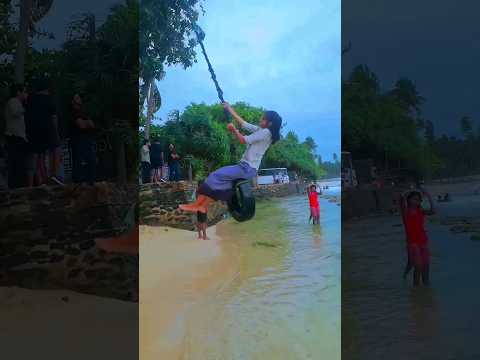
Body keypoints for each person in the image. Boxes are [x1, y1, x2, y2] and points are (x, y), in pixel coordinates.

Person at [179, 102, 282, 214]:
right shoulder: (262, 131)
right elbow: (244, 123)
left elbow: (243, 140)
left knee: (215, 175)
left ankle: (196, 205)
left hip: (246, 168)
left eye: (263, 118)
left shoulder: (266, 133)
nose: (260, 119)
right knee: (222, 186)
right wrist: (229, 109)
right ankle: (202, 206)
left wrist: (234, 131)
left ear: (269, 123)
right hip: (247, 168)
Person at [399, 188, 435, 286]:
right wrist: (411, 189)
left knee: (426, 266)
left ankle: (426, 289)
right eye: (414, 199)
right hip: (412, 242)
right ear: (409, 200)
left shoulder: (421, 211)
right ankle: (416, 289)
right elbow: (402, 197)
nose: (416, 201)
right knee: (418, 267)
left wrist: (428, 196)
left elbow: (433, 211)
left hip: (423, 240)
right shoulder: (406, 212)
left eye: (418, 200)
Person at [25, 78, 56, 186]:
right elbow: (53, 117)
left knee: (34, 159)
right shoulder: (48, 99)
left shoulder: (30, 98)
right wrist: (55, 132)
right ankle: (46, 180)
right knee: (43, 157)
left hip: (31, 133)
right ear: (46, 89)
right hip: (45, 133)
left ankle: (34, 184)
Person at [4, 84, 28, 188]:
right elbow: (15, 112)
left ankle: (18, 185)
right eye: (24, 91)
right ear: (18, 92)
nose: (26, 94)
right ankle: (15, 185)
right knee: (16, 163)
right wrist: (25, 107)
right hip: (14, 137)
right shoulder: (13, 101)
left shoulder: (18, 102)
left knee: (19, 164)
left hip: (18, 137)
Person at [70, 94, 96, 185]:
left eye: (79, 97)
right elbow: (81, 125)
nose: (79, 99)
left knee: (91, 161)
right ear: (72, 101)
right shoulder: (72, 112)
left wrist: (86, 123)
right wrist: (86, 123)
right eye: (76, 97)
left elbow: (92, 124)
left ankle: (90, 182)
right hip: (78, 140)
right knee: (78, 162)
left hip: (88, 139)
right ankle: (78, 183)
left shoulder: (84, 112)